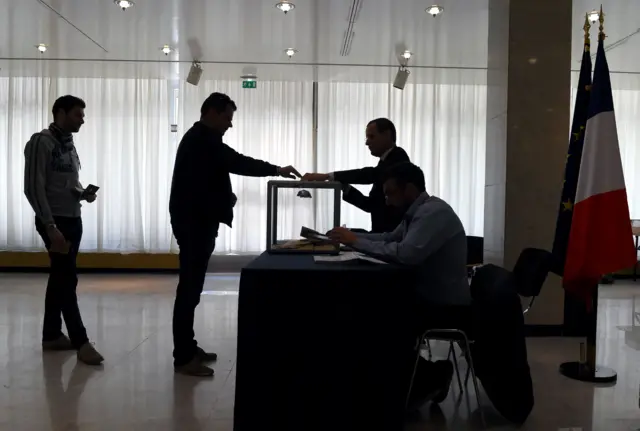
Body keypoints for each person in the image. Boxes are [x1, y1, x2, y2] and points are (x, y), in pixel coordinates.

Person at [169, 92, 300, 377]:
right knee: (189, 291)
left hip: (195, 223)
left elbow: (206, 180)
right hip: (195, 226)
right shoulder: (203, 140)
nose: (230, 124)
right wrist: (276, 169)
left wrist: (223, 198)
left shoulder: (202, 140)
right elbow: (238, 162)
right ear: (212, 113)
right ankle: (183, 357)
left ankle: (188, 347)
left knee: (191, 290)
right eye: (227, 117)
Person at [328, 162, 472, 407]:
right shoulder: (417, 212)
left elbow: (406, 254)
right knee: (372, 310)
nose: (386, 201)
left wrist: (356, 241)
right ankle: (414, 379)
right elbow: (388, 238)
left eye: (390, 193)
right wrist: (353, 238)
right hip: (428, 296)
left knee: (378, 318)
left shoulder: (433, 213)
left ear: (409, 189)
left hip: (445, 305)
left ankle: (426, 379)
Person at [24, 95, 104, 366]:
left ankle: (51, 335)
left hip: (72, 218)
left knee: (60, 277)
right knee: (67, 279)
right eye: (77, 114)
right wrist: (49, 226)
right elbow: (33, 187)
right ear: (60, 113)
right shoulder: (41, 142)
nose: (82, 119)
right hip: (54, 222)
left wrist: (82, 194)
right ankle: (81, 341)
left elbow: (69, 182)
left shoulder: (69, 145)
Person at [302, 118, 410, 233]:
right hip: (383, 238)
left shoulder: (398, 157)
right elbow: (371, 205)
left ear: (387, 135)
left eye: (371, 137)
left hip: (392, 241)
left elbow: (370, 174)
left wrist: (328, 176)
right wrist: (346, 188)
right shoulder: (385, 162)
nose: (367, 142)